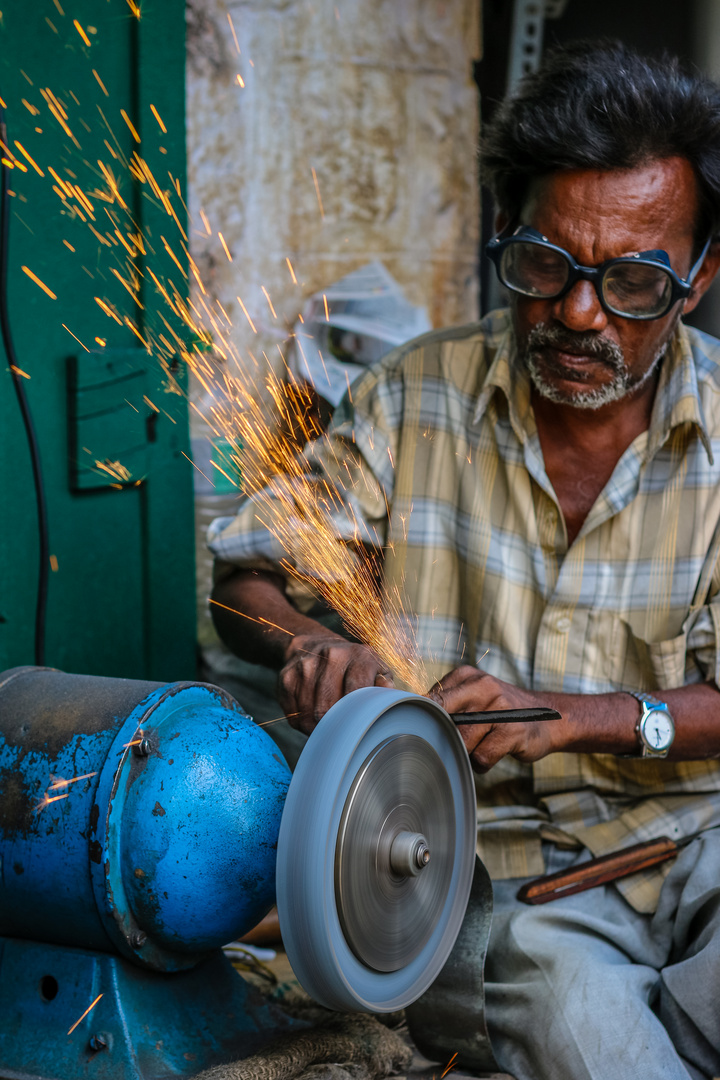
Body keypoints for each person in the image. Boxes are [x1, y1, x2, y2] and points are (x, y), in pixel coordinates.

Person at [208, 41, 720, 1080]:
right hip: (500, 882)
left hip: (695, 838)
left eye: (630, 282)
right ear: (501, 232)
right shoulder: (413, 398)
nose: (578, 313)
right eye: (544, 265)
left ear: (700, 278)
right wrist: (311, 644)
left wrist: (591, 715)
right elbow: (243, 580)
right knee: (601, 1050)